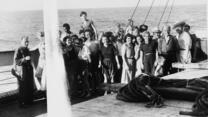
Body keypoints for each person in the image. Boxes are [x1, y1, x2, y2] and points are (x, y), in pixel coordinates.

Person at [14, 36, 34, 107]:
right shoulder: (18, 49)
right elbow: (16, 61)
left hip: (28, 70)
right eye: (25, 41)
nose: (27, 43)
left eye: (27, 41)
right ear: (21, 41)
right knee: (22, 87)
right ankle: (22, 103)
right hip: (22, 70)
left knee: (29, 86)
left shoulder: (27, 49)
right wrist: (24, 59)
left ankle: (29, 101)